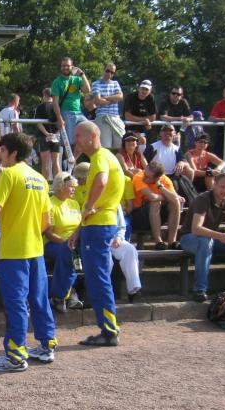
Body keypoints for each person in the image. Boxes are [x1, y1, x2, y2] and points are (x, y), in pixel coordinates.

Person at [0, 132, 57, 369]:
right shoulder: (40, 178)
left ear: (13, 152)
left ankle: (15, 356)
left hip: (13, 253)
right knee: (39, 299)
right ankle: (47, 345)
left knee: (16, 303)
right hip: (36, 250)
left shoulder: (9, 174)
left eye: (2, 149)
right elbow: (46, 221)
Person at [70, 121, 124, 347]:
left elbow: (101, 181)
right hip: (99, 225)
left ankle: (109, 330)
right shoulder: (108, 157)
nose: (75, 140)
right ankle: (109, 328)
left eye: (78, 136)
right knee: (98, 277)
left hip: (99, 226)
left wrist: (89, 207)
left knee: (98, 278)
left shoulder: (100, 157)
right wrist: (79, 227)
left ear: (92, 136)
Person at [179, 172, 225, 301]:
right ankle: (200, 289)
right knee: (205, 241)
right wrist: (221, 236)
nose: (224, 191)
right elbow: (196, 228)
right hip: (189, 238)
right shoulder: (203, 199)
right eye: (222, 187)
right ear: (214, 184)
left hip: (211, 238)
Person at [43, 172, 83, 313]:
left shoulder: (74, 203)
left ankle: (62, 296)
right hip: (54, 243)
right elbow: (48, 233)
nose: (74, 189)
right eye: (71, 186)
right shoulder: (50, 204)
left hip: (75, 242)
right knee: (70, 255)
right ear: (61, 186)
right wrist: (67, 242)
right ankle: (70, 294)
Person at [130, 160, 184, 250]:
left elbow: (175, 199)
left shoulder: (165, 180)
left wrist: (160, 186)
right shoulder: (138, 177)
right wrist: (166, 197)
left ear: (157, 178)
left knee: (175, 204)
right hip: (137, 216)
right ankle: (158, 242)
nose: (144, 177)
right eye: (145, 173)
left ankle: (172, 241)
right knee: (155, 202)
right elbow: (152, 197)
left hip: (155, 215)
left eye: (148, 177)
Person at [51, 57, 91, 154]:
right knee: (69, 143)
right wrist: (60, 118)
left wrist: (82, 74)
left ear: (72, 67)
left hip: (79, 113)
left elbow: (87, 90)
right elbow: (55, 102)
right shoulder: (57, 82)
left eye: (68, 66)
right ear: (60, 67)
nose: (65, 68)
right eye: (63, 66)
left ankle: (75, 160)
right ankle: (68, 162)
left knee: (89, 132)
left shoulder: (77, 79)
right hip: (66, 113)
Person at [89, 62, 125, 152]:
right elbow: (98, 100)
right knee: (105, 147)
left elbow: (120, 97)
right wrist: (113, 99)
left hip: (115, 118)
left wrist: (105, 98)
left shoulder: (115, 83)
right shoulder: (96, 84)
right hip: (102, 117)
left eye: (112, 72)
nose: (109, 74)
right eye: (108, 71)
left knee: (119, 146)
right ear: (103, 70)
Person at [34, 87, 61, 180]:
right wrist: (56, 133)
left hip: (43, 136)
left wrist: (46, 134)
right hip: (55, 136)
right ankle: (58, 183)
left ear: (44, 95)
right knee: (56, 161)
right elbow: (61, 123)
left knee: (45, 162)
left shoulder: (40, 107)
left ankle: (45, 184)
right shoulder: (57, 106)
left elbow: (38, 122)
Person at [123, 80, 157, 145]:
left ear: (150, 91)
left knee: (143, 142)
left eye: (146, 89)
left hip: (143, 129)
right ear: (139, 88)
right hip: (128, 128)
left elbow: (153, 117)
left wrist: (145, 121)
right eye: (142, 88)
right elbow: (127, 117)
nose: (144, 91)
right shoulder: (130, 97)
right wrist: (144, 120)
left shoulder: (151, 98)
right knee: (140, 141)